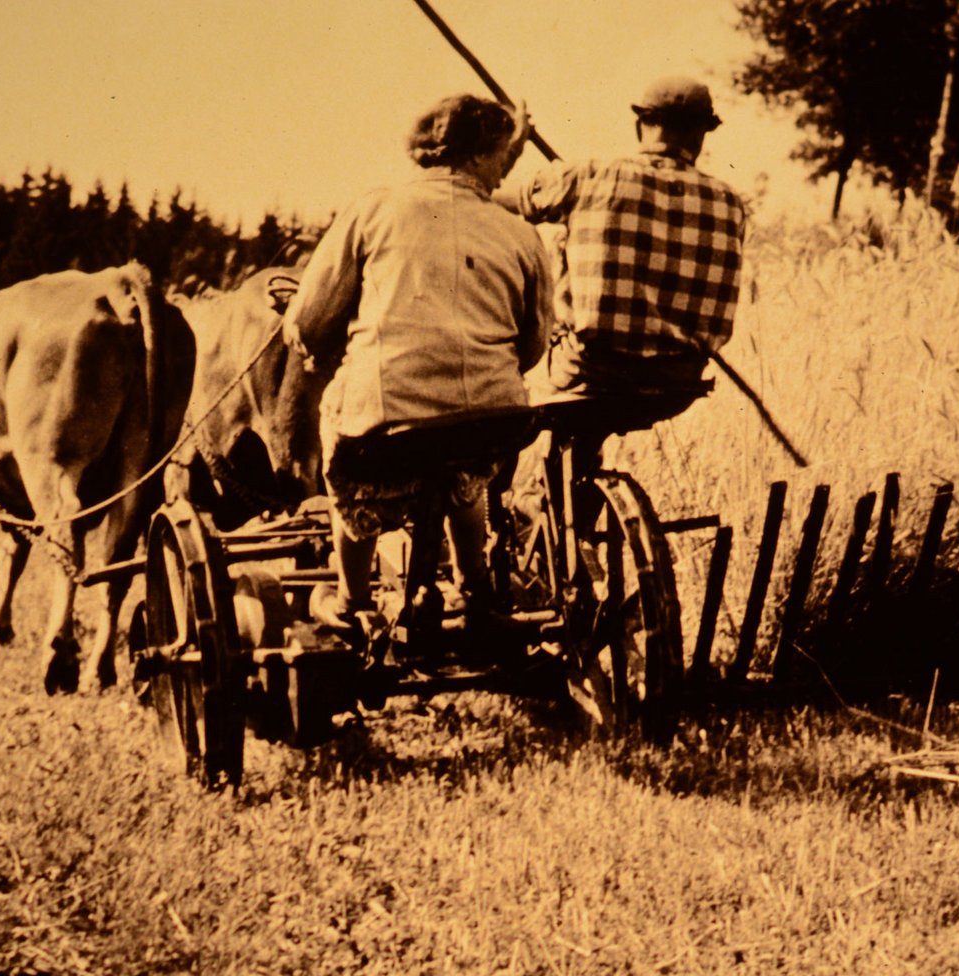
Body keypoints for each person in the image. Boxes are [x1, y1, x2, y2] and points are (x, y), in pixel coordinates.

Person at [283, 94, 555, 630]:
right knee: (463, 469)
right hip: (492, 421)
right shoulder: (521, 233)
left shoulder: (375, 210)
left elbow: (310, 322)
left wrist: (317, 349)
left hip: (388, 425)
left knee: (342, 434)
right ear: (479, 155)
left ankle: (354, 600)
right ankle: (474, 583)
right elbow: (534, 346)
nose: (505, 169)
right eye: (502, 154)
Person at [495, 75, 750, 464]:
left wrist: (514, 146)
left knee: (504, 398)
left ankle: (512, 500)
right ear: (701, 134)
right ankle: (574, 499)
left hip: (592, 370)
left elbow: (483, 197)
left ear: (641, 124)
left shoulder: (589, 175)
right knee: (584, 431)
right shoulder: (730, 201)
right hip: (679, 381)